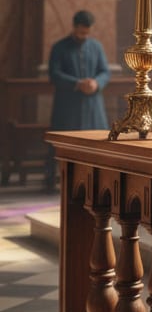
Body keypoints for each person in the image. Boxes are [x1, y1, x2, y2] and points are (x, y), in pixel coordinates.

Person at [47, 10, 111, 190]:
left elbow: (105, 71)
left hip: (93, 105)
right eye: (82, 32)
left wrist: (96, 83)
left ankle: (98, 182)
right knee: (68, 144)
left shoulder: (96, 46)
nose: (85, 36)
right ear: (74, 27)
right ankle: (63, 182)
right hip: (68, 106)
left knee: (97, 143)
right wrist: (77, 83)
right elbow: (54, 74)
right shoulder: (59, 47)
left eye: (88, 32)